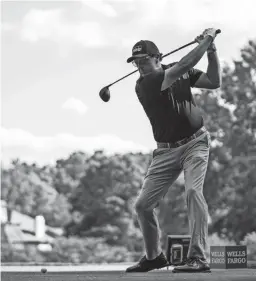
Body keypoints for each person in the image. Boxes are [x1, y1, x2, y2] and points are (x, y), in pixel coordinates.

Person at [125, 28, 221, 273]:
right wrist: (208, 39)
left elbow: (214, 81)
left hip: (195, 143)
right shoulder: (146, 84)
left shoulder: (177, 70)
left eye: (144, 60)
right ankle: (154, 257)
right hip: (165, 152)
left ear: (158, 57)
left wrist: (211, 51)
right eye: (136, 62)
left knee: (192, 193)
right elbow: (186, 62)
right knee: (142, 206)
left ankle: (198, 257)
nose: (140, 66)